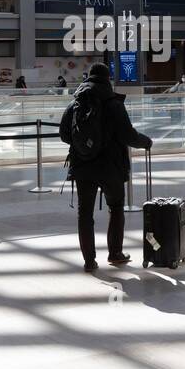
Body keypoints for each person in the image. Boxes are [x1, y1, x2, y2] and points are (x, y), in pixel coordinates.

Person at [59, 63, 153, 272]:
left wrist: (84, 146)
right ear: (107, 78)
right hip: (111, 166)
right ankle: (115, 253)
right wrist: (146, 141)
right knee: (116, 207)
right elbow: (128, 136)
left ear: (88, 77)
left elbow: (64, 133)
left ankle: (89, 261)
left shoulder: (77, 102)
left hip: (83, 165)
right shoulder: (113, 103)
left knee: (85, 215)